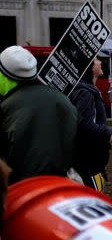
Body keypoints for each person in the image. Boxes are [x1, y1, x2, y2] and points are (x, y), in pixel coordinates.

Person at [0, 46, 78, 184]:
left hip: (21, 190)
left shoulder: (7, 108)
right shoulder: (63, 100)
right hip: (60, 188)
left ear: (5, 76)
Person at [69, 57, 112, 192]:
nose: (100, 62)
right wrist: (107, 131)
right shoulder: (85, 93)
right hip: (88, 162)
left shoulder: (86, 89)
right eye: (97, 60)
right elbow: (84, 125)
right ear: (91, 68)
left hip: (87, 159)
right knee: (93, 199)